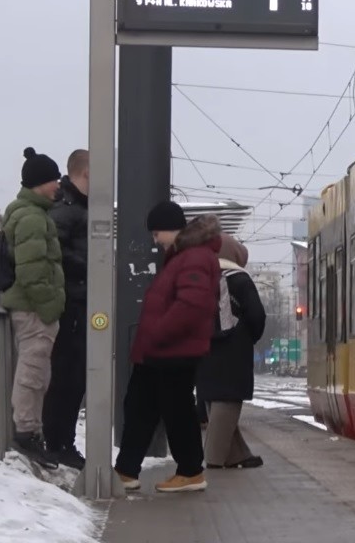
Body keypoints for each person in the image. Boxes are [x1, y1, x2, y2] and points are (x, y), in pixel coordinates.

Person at [114, 202, 222, 493]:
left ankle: (190, 471)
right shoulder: (183, 257)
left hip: (174, 350)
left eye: (156, 232)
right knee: (140, 407)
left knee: (176, 412)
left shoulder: (194, 257)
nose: (154, 240)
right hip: (162, 351)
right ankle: (126, 470)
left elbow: (192, 304)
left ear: (170, 228)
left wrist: (159, 333)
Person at [1, 147, 67, 470]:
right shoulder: (30, 217)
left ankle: (31, 431)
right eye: (53, 179)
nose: (58, 184)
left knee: (39, 373)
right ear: (39, 183)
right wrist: (49, 307)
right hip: (33, 310)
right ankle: (26, 432)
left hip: (34, 309)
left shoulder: (34, 213)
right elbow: (32, 269)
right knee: (33, 371)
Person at [197, 233, 267, 469]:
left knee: (216, 401)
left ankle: (237, 455)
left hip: (204, 349)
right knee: (228, 402)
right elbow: (256, 315)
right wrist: (248, 337)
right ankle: (214, 459)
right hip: (234, 351)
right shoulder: (239, 279)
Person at [43, 149, 90, 469]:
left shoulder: (76, 207)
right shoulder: (67, 208)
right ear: (86, 174)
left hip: (77, 302)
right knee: (67, 377)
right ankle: (58, 443)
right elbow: (53, 250)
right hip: (70, 304)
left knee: (74, 377)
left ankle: (62, 441)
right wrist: (90, 268)